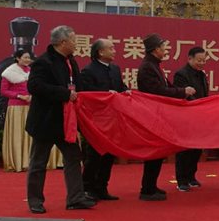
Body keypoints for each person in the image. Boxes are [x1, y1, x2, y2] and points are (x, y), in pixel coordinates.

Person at [25, 25, 94, 214]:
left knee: (73, 158)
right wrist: (64, 93)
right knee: (39, 162)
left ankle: (75, 198)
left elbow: (79, 86)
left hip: (67, 122)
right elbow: (34, 86)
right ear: (63, 42)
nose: (75, 43)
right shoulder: (43, 62)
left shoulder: (71, 61)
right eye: (73, 40)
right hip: (46, 121)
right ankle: (35, 200)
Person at [137, 34, 196, 201]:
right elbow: (158, 91)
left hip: (158, 115)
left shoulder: (154, 65)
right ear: (156, 49)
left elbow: (166, 87)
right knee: (154, 153)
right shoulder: (148, 67)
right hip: (152, 115)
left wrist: (182, 92)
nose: (165, 50)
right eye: (163, 47)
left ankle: (151, 186)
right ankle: (147, 190)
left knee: (158, 153)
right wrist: (182, 91)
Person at [79, 39, 128, 201]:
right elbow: (86, 93)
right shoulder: (88, 71)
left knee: (109, 154)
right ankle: (87, 188)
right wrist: (106, 93)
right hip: (96, 120)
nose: (114, 51)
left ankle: (102, 187)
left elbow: (120, 87)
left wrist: (126, 92)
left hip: (112, 118)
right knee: (94, 155)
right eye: (111, 48)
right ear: (100, 52)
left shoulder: (115, 69)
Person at [0, 50, 62, 172]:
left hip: (32, 106)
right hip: (17, 108)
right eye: (25, 57)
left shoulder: (31, 71)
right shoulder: (9, 72)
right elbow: (4, 91)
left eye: (29, 58)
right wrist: (19, 96)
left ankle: (32, 161)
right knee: (19, 134)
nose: (28, 60)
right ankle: (20, 162)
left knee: (33, 133)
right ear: (18, 58)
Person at [173, 46, 209, 192]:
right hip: (186, 117)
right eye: (199, 60)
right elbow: (183, 95)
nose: (202, 63)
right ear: (190, 59)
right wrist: (198, 106)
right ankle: (181, 180)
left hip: (199, 117)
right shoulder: (181, 74)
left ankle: (191, 176)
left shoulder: (202, 74)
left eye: (204, 60)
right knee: (184, 150)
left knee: (196, 148)